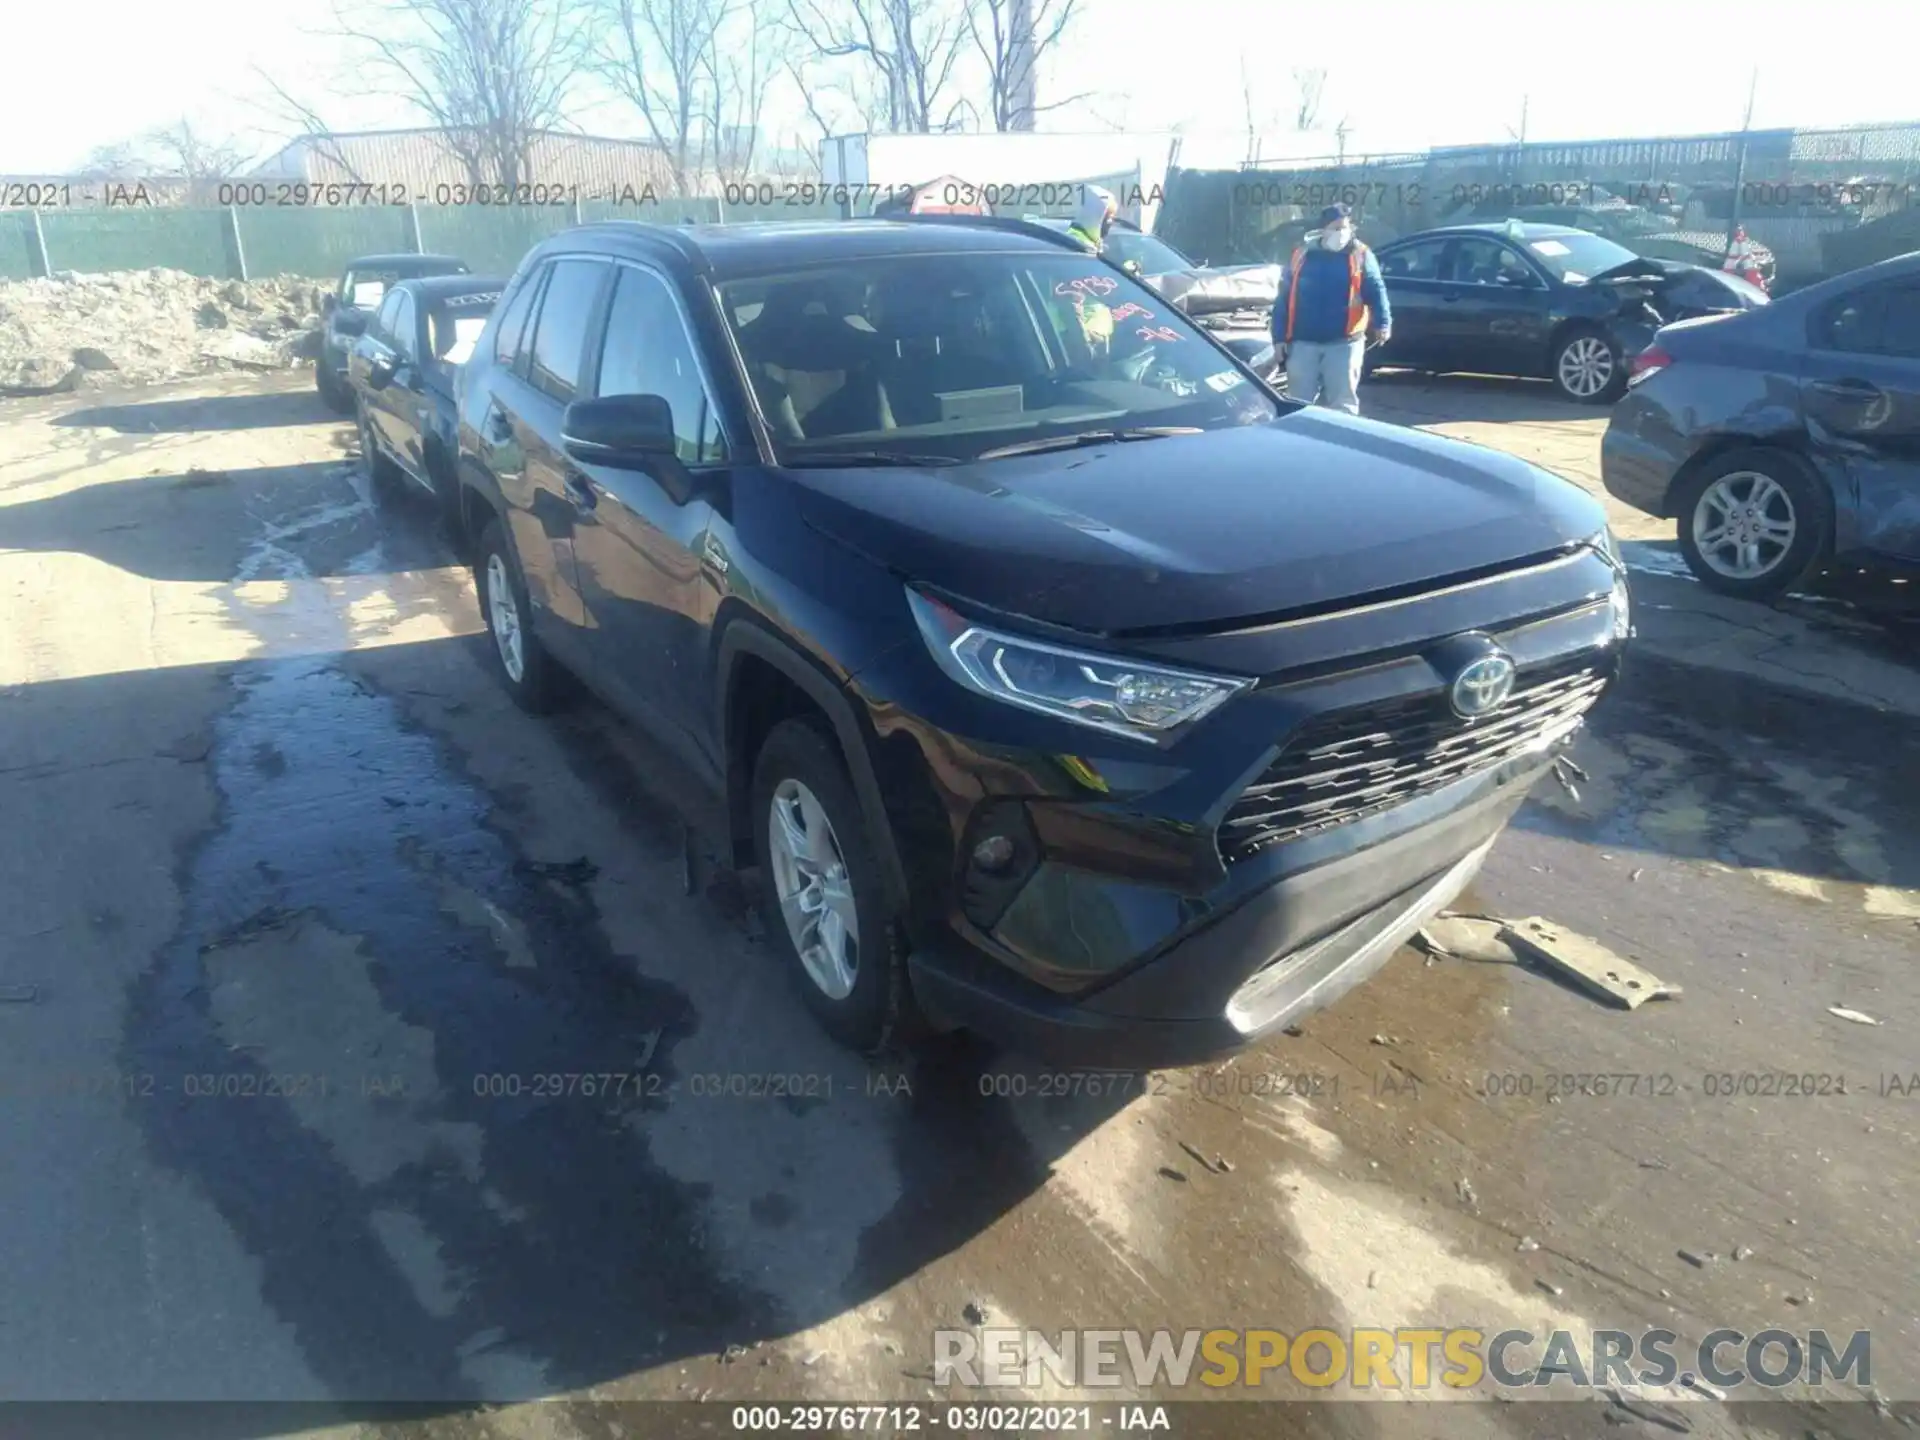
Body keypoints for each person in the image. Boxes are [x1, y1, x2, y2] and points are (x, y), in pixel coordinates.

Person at [1271, 203, 1392, 416]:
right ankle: (1299, 445)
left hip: (1344, 342)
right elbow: (1284, 297)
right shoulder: (1302, 254)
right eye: (1336, 228)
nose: (1342, 233)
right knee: (1298, 402)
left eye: (1345, 227)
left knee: (1343, 402)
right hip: (1303, 342)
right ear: (1323, 230)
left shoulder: (1360, 254)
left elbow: (1375, 288)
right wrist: (1278, 337)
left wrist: (1383, 322)